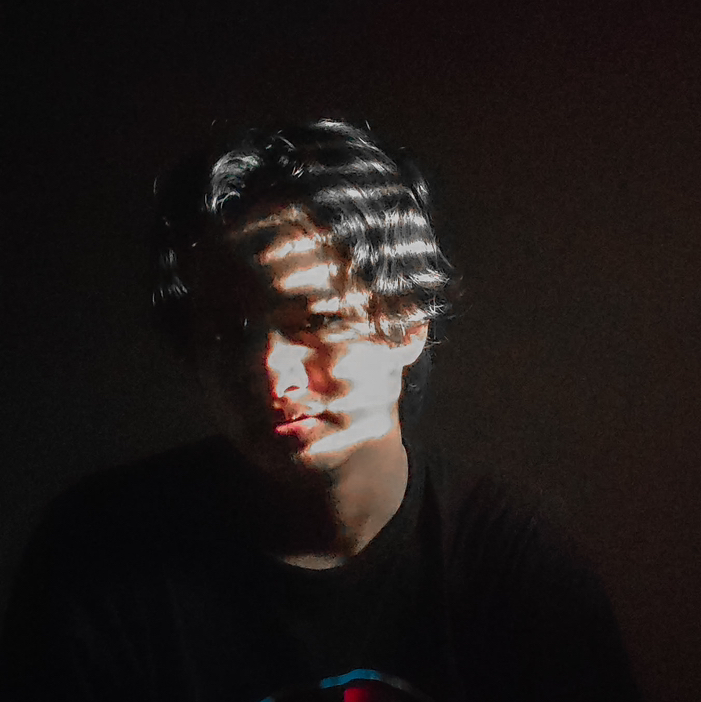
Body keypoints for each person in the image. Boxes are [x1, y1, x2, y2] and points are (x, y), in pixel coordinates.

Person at [1, 119, 640, 701]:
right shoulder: (97, 556)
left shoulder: (514, 567)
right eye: (227, 335)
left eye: (318, 321)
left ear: (407, 324)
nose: (272, 377)